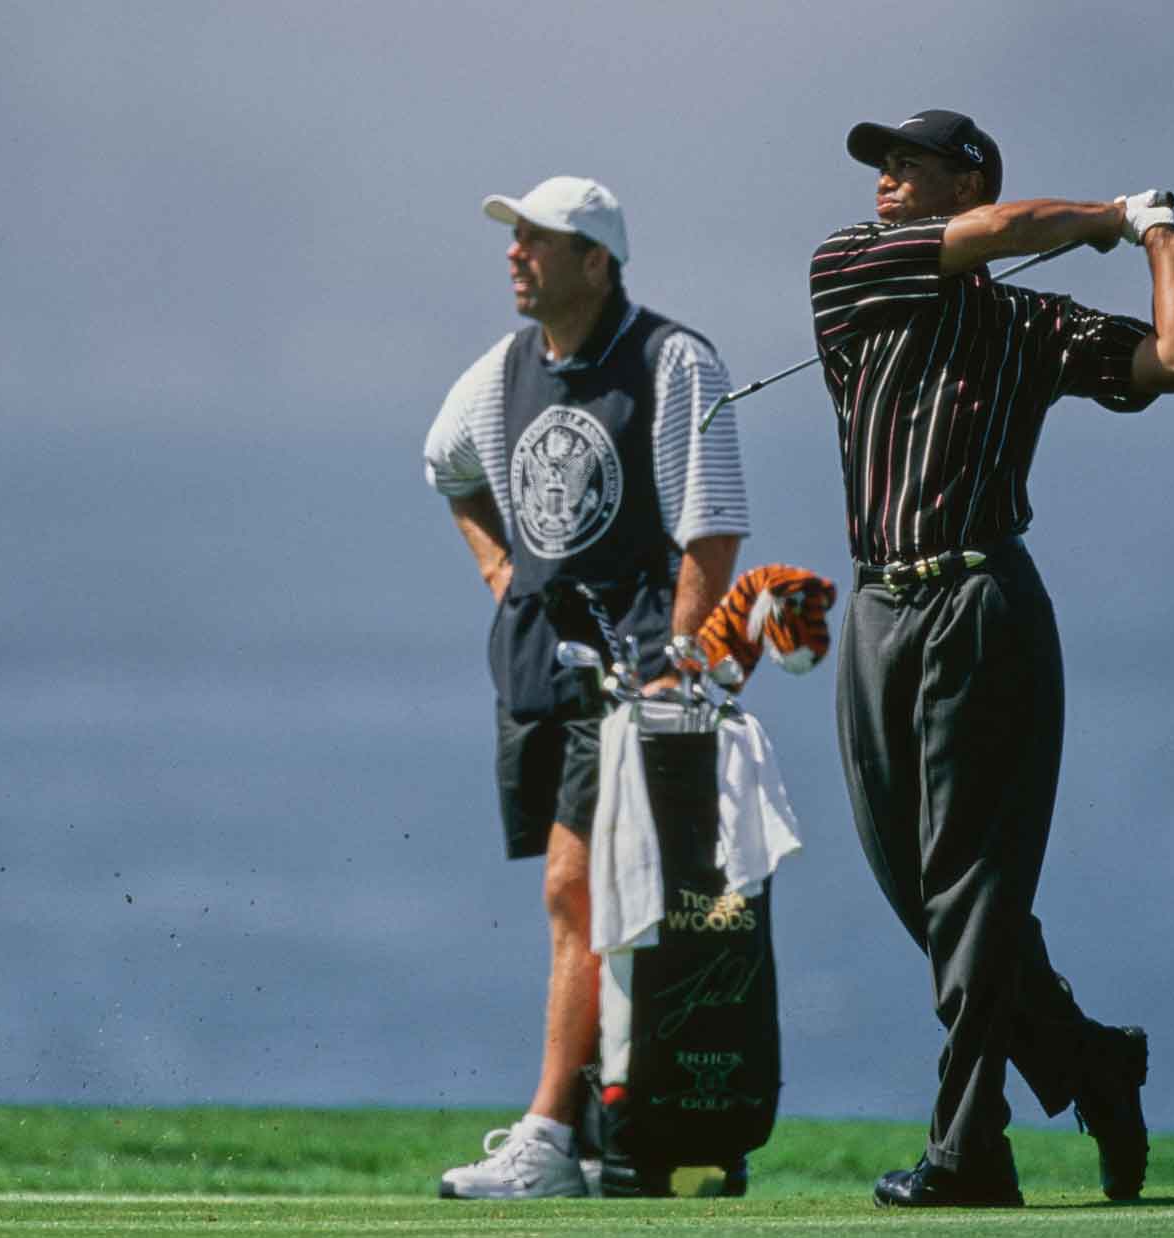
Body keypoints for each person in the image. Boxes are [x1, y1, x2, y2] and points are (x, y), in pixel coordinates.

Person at [806, 109, 1174, 1207]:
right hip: (877, 610)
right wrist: (1102, 217)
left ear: (969, 180)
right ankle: (1088, 1061)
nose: (884, 176)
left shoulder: (1032, 325)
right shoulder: (849, 268)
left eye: (909, 162)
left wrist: (1158, 233)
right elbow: (1005, 232)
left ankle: (969, 1145)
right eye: (880, 163)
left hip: (984, 605)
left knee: (973, 891)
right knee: (923, 889)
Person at [423, 175, 747, 1199]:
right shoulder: (504, 370)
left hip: (632, 671)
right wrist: (495, 567)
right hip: (537, 672)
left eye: (539, 241)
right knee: (591, 900)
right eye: (514, 240)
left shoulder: (671, 360)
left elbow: (711, 525)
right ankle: (627, 1129)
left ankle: (550, 1135)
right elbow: (445, 465)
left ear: (595, 260)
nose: (516, 255)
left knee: (574, 890)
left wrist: (676, 660)